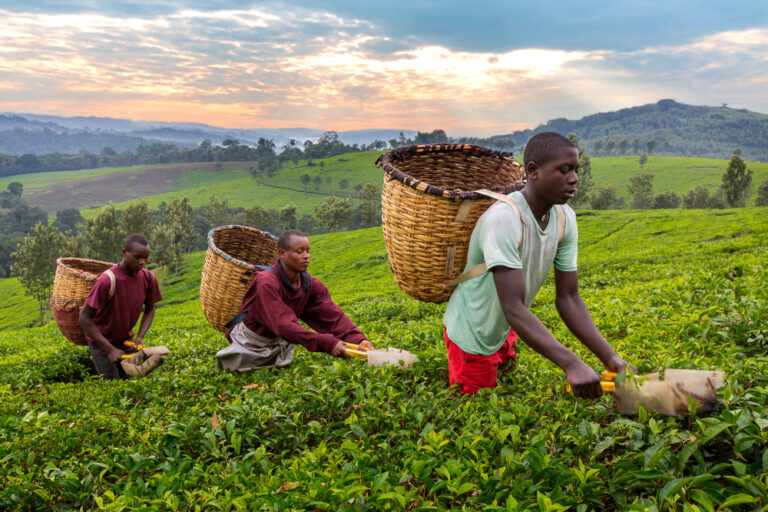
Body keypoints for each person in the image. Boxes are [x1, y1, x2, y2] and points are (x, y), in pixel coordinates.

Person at [443, 132, 633, 397]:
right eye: (564, 170)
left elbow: (569, 297)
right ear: (533, 171)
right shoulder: (504, 220)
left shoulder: (565, 218)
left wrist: (610, 358)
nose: (575, 178)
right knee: (479, 411)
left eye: (576, 170)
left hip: (505, 329)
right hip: (473, 331)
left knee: (507, 394)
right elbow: (513, 307)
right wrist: (571, 363)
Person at [216, 229, 374, 371]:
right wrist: (327, 343)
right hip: (251, 343)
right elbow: (282, 324)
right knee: (231, 370)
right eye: (299, 252)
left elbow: (333, 318)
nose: (306, 256)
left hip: (281, 344)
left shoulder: (310, 285)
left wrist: (358, 340)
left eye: (307, 251)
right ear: (282, 254)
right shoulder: (266, 282)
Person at [79, 233, 163, 380]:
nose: (142, 262)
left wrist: (139, 337)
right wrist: (109, 349)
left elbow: (150, 309)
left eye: (146, 258)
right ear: (124, 253)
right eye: (137, 257)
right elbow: (84, 318)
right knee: (113, 386)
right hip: (102, 345)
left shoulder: (148, 278)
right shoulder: (106, 281)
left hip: (125, 341)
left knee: (129, 384)